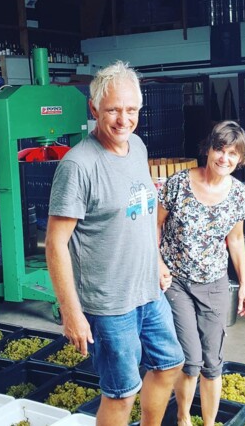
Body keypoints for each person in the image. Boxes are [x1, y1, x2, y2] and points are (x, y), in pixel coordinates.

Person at [46, 60, 184, 426]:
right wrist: (71, 312)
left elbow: (140, 212)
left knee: (170, 364)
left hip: (148, 291)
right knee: (121, 393)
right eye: (113, 110)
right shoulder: (78, 166)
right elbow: (55, 244)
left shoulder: (136, 146)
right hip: (109, 304)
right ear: (93, 109)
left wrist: (156, 261)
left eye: (131, 110)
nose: (124, 120)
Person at [156, 120, 245, 426]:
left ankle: (209, 424)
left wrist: (244, 285)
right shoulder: (178, 183)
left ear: (240, 159)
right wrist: (158, 263)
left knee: (212, 363)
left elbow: (235, 240)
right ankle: (183, 418)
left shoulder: (238, 194)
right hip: (176, 282)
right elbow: (154, 225)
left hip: (214, 283)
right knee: (190, 359)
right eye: (219, 149)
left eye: (232, 153)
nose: (224, 158)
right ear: (208, 150)